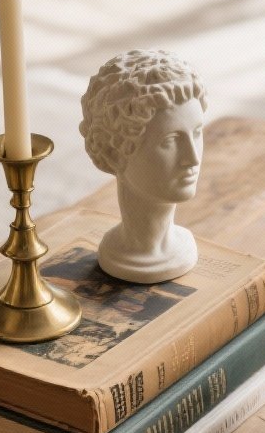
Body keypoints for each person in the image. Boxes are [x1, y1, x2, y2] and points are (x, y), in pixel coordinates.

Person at [80, 49, 207, 283]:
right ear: (113, 152)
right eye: (171, 140)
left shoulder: (183, 246)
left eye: (197, 133)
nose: (192, 158)